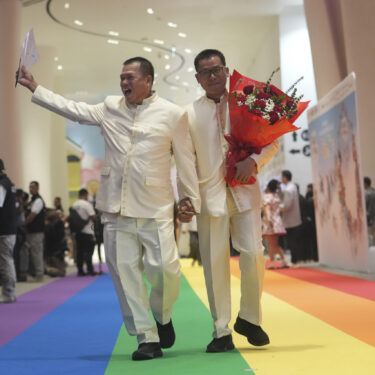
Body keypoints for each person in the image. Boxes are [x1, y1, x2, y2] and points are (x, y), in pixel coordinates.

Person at [17, 57, 200, 361]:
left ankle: (163, 316)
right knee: (124, 276)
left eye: (130, 77)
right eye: (121, 77)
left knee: (167, 272)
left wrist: (190, 199)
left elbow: (185, 160)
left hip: (155, 206)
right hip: (114, 208)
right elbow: (73, 109)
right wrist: (36, 87)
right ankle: (147, 337)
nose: (124, 83)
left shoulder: (173, 114)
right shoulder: (109, 107)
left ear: (148, 80)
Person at [179, 49, 278, 353]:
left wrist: (256, 162)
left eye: (217, 69)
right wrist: (188, 198)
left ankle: (250, 318)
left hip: (245, 191)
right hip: (210, 197)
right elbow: (184, 159)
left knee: (254, 255)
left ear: (226, 70)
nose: (213, 76)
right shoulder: (189, 114)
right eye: (206, 72)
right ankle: (221, 330)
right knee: (214, 265)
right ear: (198, 78)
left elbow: (272, 138)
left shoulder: (248, 102)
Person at [20, 181, 46, 282]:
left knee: (37, 253)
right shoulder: (32, 200)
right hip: (32, 231)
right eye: (30, 187)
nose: (31, 189)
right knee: (34, 253)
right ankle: (36, 273)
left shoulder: (38, 200)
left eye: (33, 187)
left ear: (37, 189)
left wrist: (24, 223)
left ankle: (39, 274)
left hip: (37, 231)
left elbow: (32, 215)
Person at [0, 159, 18, 303]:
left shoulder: (2, 184)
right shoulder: (9, 183)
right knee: (7, 259)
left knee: (5, 261)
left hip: (4, 229)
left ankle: (8, 292)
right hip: (9, 228)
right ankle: (10, 291)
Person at [262, 180, 288, 269]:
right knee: (275, 244)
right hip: (277, 221)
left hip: (270, 222)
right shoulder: (276, 196)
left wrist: (269, 221)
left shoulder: (267, 197)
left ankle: (272, 262)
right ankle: (283, 261)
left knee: (270, 244)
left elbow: (267, 209)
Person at [72, 189, 96, 276]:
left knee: (79, 251)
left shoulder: (74, 204)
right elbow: (93, 216)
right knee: (89, 251)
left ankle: (80, 270)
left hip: (78, 231)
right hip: (87, 231)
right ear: (86, 195)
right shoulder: (86, 204)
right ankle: (90, 269)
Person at [280, 170, 302, 265]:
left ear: (285, 177)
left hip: (290, 220)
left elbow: (286, 206)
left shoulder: (288, 190)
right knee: (294, 240)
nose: (281, 179)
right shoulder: (293, 187)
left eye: (282, 177)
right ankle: (295, 259)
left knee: (292, 241)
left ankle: (294, 260)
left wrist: (278, 208)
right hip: (294, 218)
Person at [364, 177, 375, 246]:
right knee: (372, 237)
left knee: (370, 239)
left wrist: (369, 220)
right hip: (372, 220)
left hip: (370, 220)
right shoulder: (373, 192)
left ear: (365, 184)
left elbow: (370, 209)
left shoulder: (368, 194)